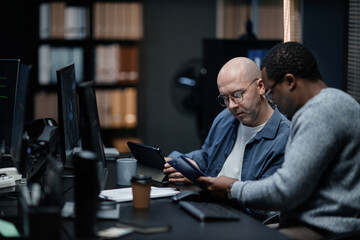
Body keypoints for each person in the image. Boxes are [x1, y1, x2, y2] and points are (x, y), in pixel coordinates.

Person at [198, 42, 360, 240]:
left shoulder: (321, 112)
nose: (272, 99)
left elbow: (285, 191)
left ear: (290, 81)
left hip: (327, 230)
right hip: (312, 223)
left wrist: (232, 188)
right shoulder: (332, 103)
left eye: (272, 91)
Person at [164, 57, 290, 187]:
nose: (231, 106)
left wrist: (207, 182)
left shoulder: (285, 138)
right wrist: (177, 162)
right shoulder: (225, 119)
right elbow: (207, 157)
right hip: (207, 203)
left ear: (260, 86)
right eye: (225, 98)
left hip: (235, 207)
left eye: (237, 95)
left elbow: (266, 199)